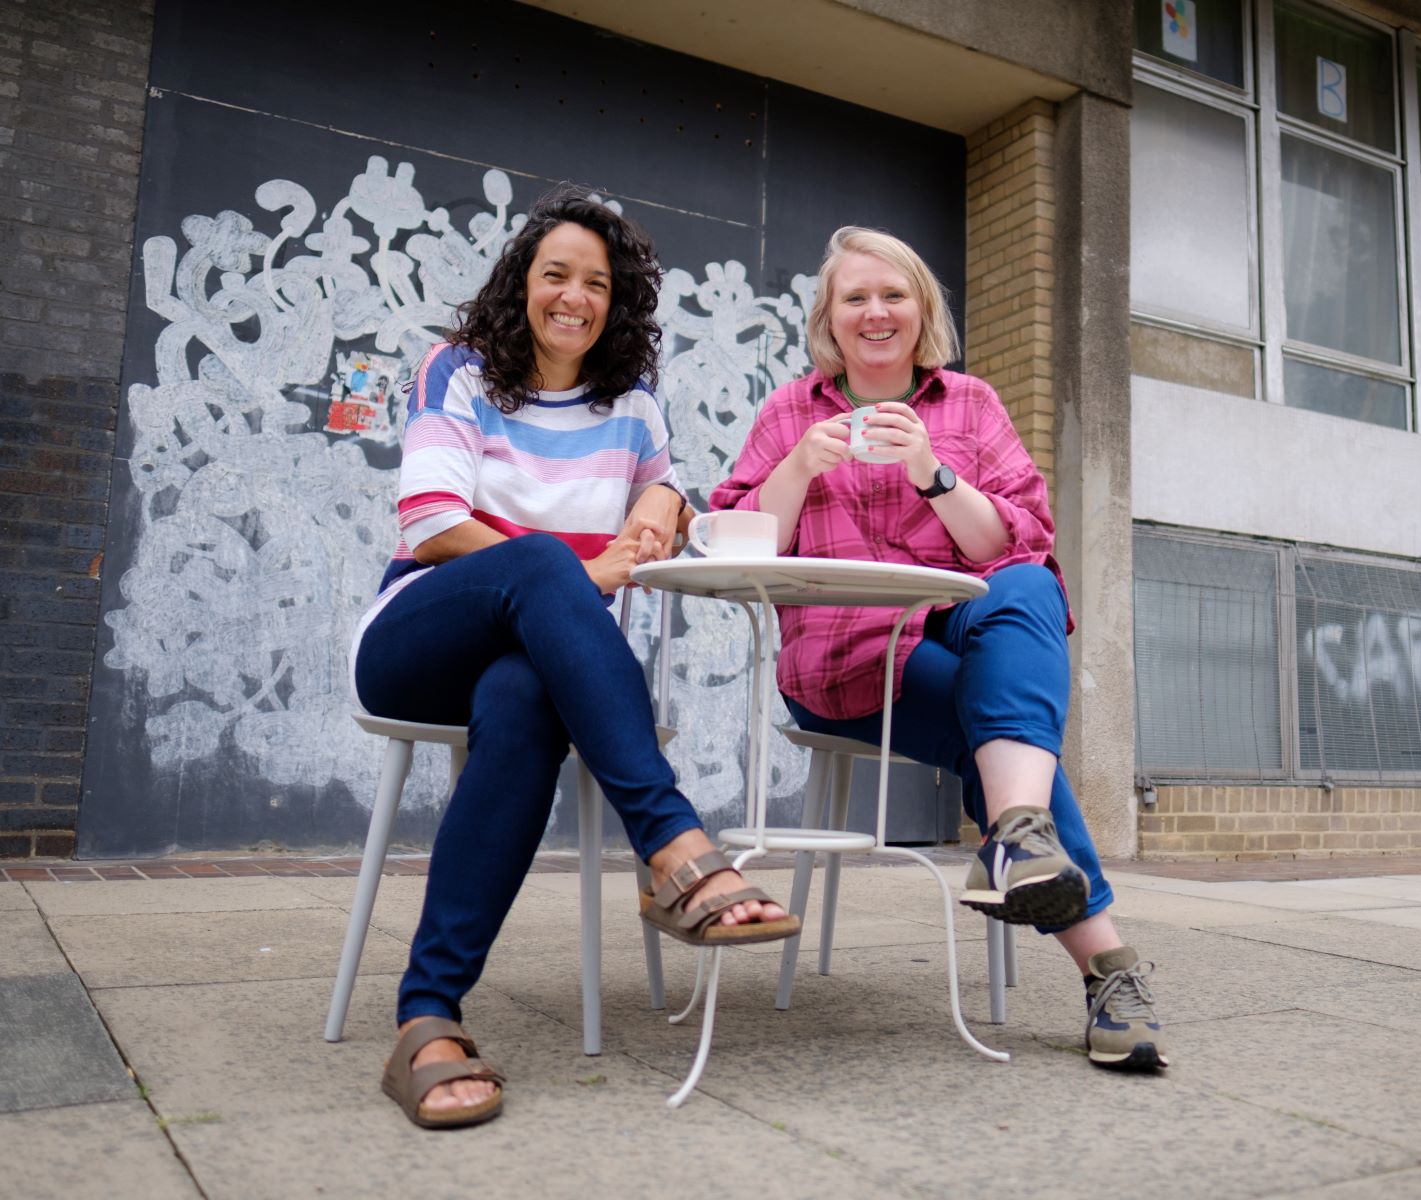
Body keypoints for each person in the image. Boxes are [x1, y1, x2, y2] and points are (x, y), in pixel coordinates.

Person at [352, 184, 799, 1130]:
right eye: (555, 274)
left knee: (523, 699)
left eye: (596, 283)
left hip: (534, 663)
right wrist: (588, 565)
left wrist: (661, 507)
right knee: (544, 566)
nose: (574, 297)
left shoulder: (633, 403)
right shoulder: (459, 370)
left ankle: (426, 1016)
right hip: (418, 638)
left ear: (616, 302)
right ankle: (675, 846)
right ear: (522, 283)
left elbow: (669, 490)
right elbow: (432, 519)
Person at [710, 227, 1168, 1072]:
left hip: (960, 624)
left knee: (1027, 590)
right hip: (841, 658)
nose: (876, 312)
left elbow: (1014, 543)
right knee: (1002, 731)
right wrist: (798, 469)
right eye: (856, 298)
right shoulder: (789, 412)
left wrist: (934, 473)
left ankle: (1020, 836)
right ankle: (1101, 958)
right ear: (830, 318)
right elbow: (740, 545)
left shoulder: (971, 406)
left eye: (894, 295)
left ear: (923, 311)